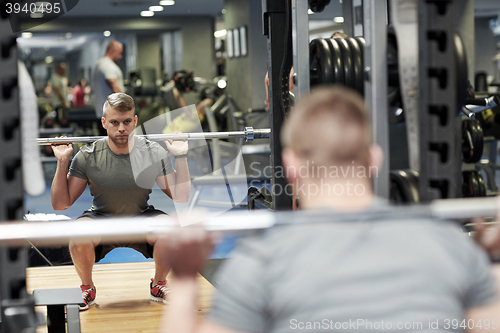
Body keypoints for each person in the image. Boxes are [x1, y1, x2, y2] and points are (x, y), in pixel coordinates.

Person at [157, 86, 500, 333]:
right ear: (375, 160)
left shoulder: (262, 263)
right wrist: (492, 270)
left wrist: (186, 277)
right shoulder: (448, 244)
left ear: (290, 166)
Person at [51, 92, 191, 311]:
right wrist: (62, 162)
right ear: (104, 123)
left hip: (141, 218)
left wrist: (181, 156)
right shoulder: (88, 156)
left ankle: (159, 285)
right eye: (114, 122)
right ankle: (87, 288)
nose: (121, 128)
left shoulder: (152, 152)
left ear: (135, 121)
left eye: (127, 122)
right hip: (101, 218)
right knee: (78, 233)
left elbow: (181, 196)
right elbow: (61, 204)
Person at [91, 40, 125, 118]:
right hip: (112, 116)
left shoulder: (99, 64)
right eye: (120, 53)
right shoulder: (108, 66)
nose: (120, 56)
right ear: (113, 51)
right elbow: (115, 88)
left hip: (103, 114)